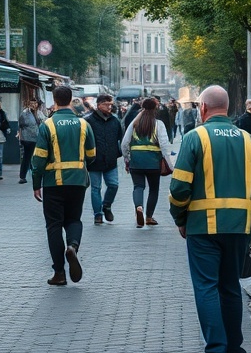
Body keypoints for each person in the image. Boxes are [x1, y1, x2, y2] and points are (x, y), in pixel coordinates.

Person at [170, 84, 251, 353]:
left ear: (202, 108)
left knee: (206, 288)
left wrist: (180, 218)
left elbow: (179, 188)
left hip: (203, 228)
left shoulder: (195, 138)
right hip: (240, 228)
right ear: (227, 108)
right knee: (230, 288)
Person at [31, 84, 96, 286]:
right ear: (70, 99)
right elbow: (92, 155)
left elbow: (39, 159)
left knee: (54, 226)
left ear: (54, 100)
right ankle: (73, 247)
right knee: (74, 220)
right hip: (77, 182)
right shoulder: (84, 124)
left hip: (53, 183)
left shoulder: (47, 125)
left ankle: (59, 273)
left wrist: (36, 183)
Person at [121, 97, 174, 227]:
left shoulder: (134, 123)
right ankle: (149, 217)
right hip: (153, 162)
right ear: (155, 109)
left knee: (138, 187)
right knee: (154, 189)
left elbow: (124, 143)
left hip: (136, 162)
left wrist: (127, 159)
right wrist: (169, 164)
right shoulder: (158, 124)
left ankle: (139, 207)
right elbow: (164, 145)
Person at [84, 94, 123, 224]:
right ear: (99, 105)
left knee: (113, 185)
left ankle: (106, 205)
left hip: (111, 160)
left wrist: (121, 153)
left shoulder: (115, 121)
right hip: (94, 160)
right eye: (106, 104)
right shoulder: (89, 121)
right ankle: (98, 214)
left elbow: (120, 137)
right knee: (96, 188)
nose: (109, 107)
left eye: (111, 104)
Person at [17, 99, 45, 184]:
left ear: (37, 104)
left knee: (33, 157)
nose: (33, 105)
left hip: (37, 138)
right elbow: (21, 124)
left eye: (35, 103)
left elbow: (44, 122)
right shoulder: (25, 113)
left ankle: (35, 175)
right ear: (29, 104)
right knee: (27, 157)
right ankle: (23, 177)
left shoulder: (39, 113)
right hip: (27, 139)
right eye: (31, 103)